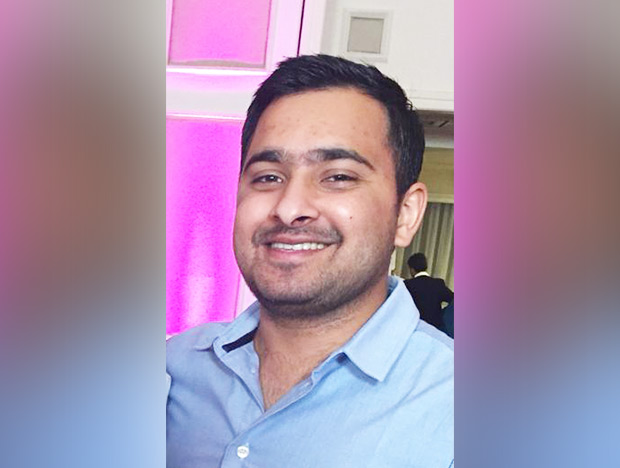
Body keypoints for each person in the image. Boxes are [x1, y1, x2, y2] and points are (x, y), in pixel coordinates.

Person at [166, 54, 454, 468]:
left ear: (405, 215)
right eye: (268, 177)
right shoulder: (174, 371)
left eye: (338, 177)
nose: (289, 208)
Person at [404, 253, 454, 333]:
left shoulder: (407, 284)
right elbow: (453, 299)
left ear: (412, 269)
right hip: (435, 329)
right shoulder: (438, 283)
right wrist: (443, 314)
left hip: (415, 328)